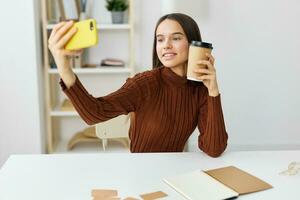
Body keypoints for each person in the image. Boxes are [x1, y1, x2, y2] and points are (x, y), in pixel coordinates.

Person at [48, 13, 228, 157]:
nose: (165, 45)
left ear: (193, 44)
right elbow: (94, 113)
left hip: (175, 173)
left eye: (176, 38)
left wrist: (213, 91)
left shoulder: (200, 90)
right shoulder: (145, 84)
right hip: (140, 172)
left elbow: (214, 149)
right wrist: (63, 65)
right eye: (160, 39)